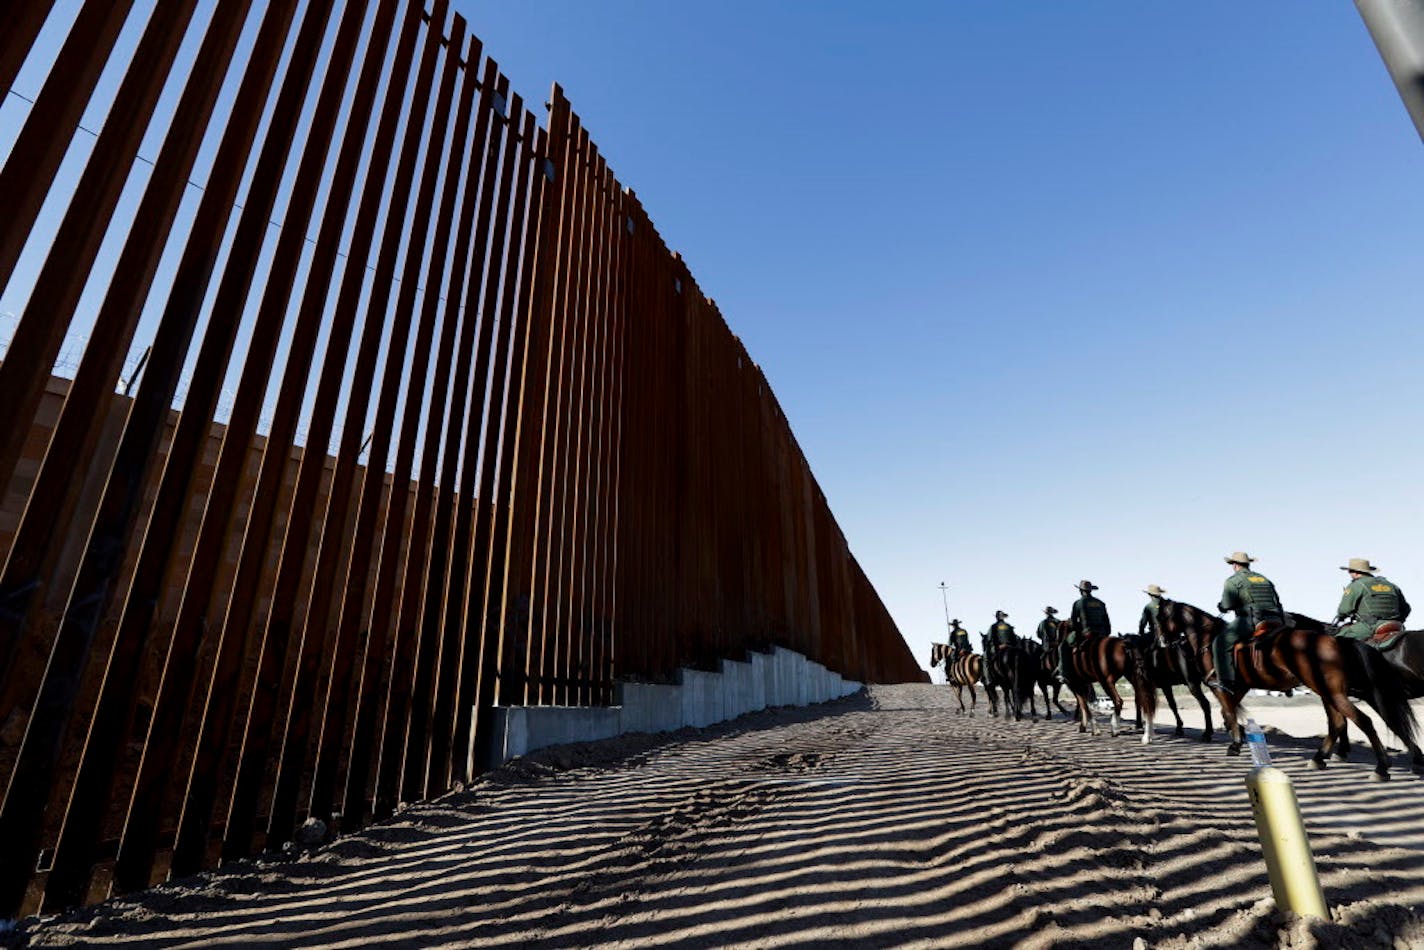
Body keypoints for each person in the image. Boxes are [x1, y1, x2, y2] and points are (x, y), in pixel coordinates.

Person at [1212, 552, 1284, 691]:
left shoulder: (1233, 581)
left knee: (1219, 642)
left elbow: (1227, 605)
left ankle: (1226, 681)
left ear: (1235, 565)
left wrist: (1221, 606)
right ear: (1248, 564)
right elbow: (1277, 602)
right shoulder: (1264, 579)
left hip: (1252, 620)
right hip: (1277, 620)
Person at [1335, 558, 1410, 642]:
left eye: (1349, 571)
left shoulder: (1356, 585)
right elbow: (1406, 609)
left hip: (1370, 626)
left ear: (1355, 572)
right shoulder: (1391, 585)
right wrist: (1398, 620)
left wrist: (1341, 617)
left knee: (1338, 640)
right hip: (1396, 625)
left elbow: (1344, 610)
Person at [1058, 580, 1111, 680]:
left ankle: (1063, 673)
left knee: (1062, 646)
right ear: (1091, 591)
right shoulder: (1100, 603)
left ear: (1081, 591)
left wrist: (1076, 628)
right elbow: (1107, 620)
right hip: (1102, 633)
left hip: (1086, 632)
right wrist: (1106, 633)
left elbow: (1074, 622)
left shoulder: (1079, 603)